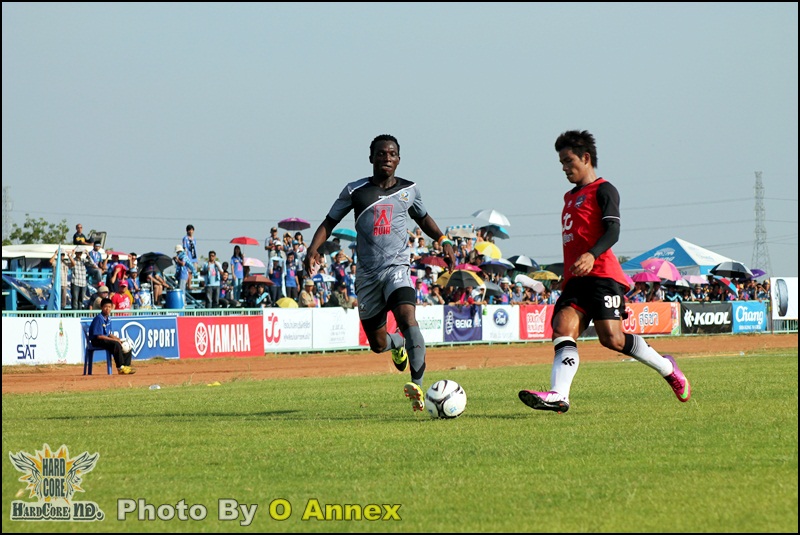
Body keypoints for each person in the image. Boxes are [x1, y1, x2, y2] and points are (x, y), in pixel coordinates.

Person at [518, 130, 691, 414]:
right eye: (561, 162)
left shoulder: (604, 190)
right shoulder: (569, 197)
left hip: (603, 276)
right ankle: (559, 395)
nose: (564, 168)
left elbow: (613, 231)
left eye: (568, 161)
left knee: (612, 339)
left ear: (586, 158)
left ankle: (667, 367)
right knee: (562, 329)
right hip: (576, 281)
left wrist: (591, 254)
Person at [304, 134, 455, 413]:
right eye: (381, 153)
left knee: (407, 318)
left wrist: (443, 240)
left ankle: (417, 387)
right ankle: (398, 345)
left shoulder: (410, 190)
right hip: (367, 276)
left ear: (399, 159)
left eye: (392, 153)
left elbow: (423, 218)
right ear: (371, 157)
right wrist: (313, 248)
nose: (387, 158)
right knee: (377, 343)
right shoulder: (355, 190)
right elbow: (329, 221)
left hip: (397, 269)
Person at [88, 298, 135, 374]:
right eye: (105, 307)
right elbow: (99, 336)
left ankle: (126, 366)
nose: (107, 309)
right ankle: (120, 367)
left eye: (109, 307)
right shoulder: (99, 318)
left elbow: (108, 333)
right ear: (101, 307)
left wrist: (118, 339)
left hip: (104, 339)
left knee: (126, 343)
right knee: (116, 344)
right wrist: (115, 340)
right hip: (97, 341)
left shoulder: (108, 318)